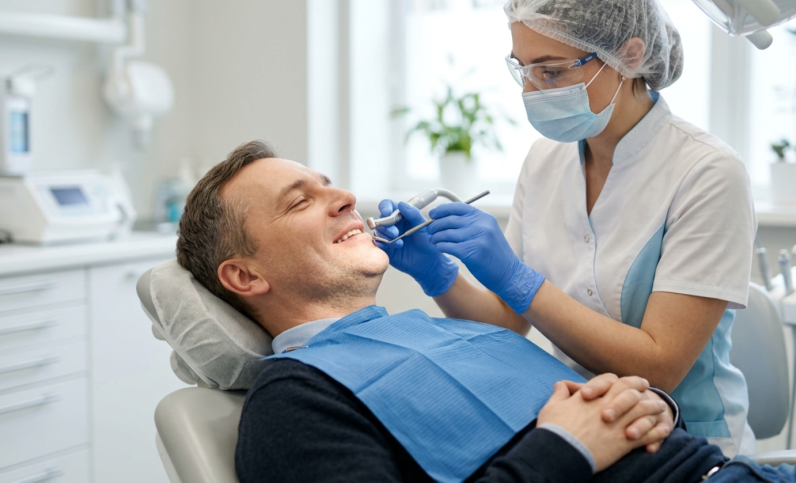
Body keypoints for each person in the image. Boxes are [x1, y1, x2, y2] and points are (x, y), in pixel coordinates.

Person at [177, 142, 785, 482]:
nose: (345, 198)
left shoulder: (438, 333)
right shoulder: (295, 399)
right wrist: (563, 448)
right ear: (244, 275)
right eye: (300, 201)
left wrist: (648, 406)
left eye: (331, 183)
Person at [375, 0, 756, 457]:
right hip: (579, 430)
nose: (530, 92)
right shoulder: (545, 162)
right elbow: (507, 323)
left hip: (686, 442)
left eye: (551, 71)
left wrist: (518, 280)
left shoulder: (707, 172)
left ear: (630, 56)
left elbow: (659, 367)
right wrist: (439, 275)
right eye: (523, 69)